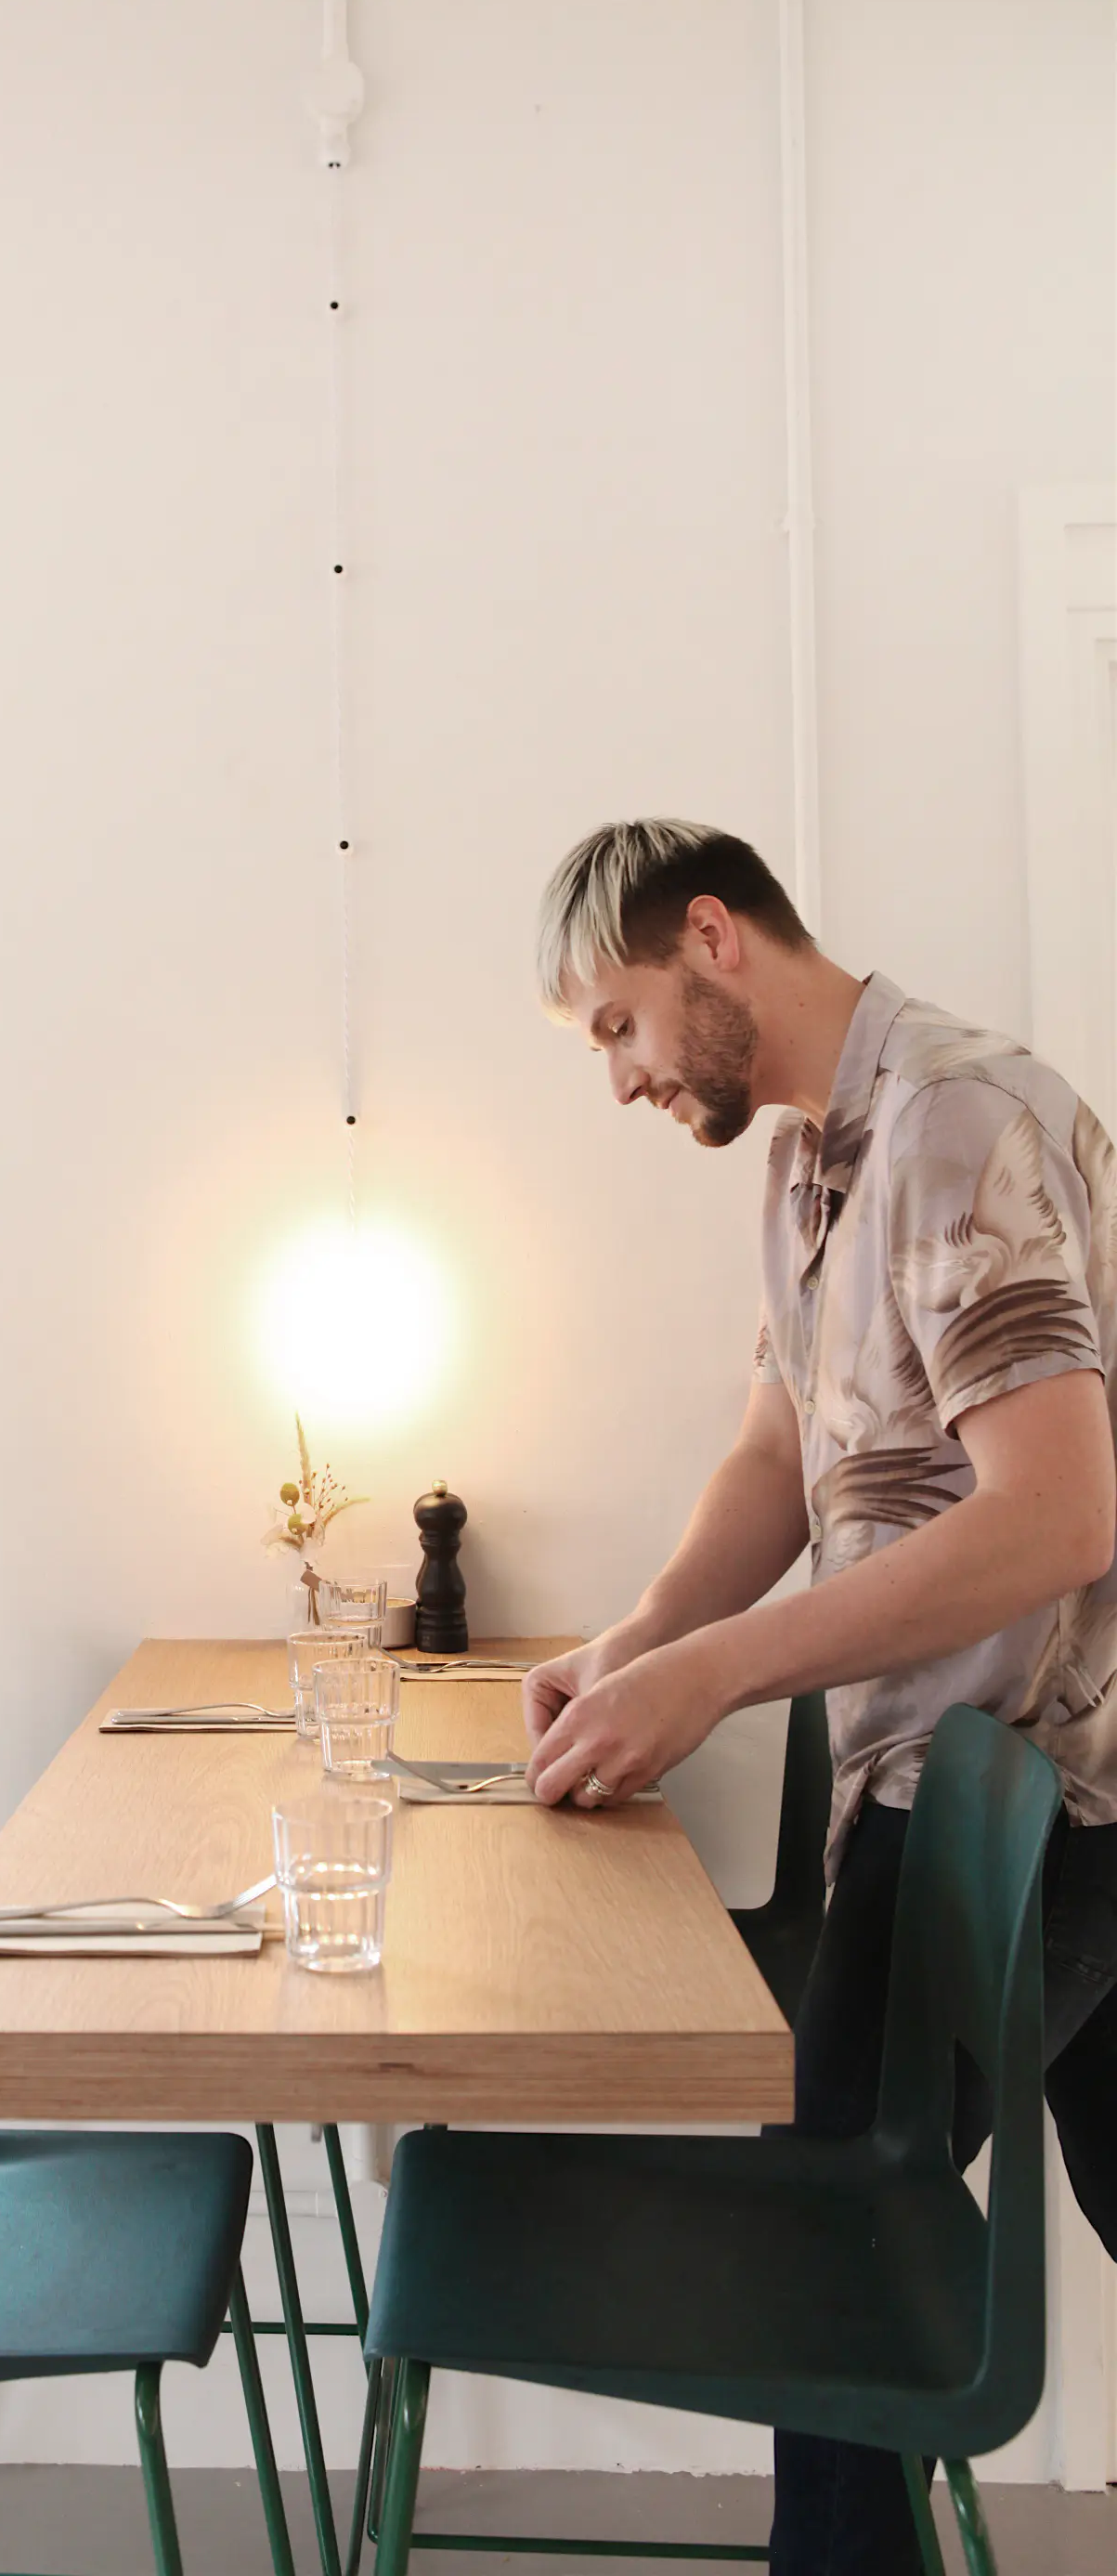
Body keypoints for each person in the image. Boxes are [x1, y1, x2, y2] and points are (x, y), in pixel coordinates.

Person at [523, 818, 1117, 2576]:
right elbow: (780, 1453)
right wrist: (640, 1642)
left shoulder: (958, 1123)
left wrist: (715, 1678)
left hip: (1030, 1796)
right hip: (975, 1785)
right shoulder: (804, 1163)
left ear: (712, 940)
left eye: (617, 1027)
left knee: (827, 2249)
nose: (618, 1081)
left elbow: (1062, 1513)